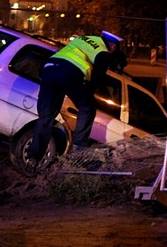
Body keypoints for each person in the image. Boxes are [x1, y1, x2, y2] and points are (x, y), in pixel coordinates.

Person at [26, 30, 123, 173]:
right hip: (69, 74)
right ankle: (79, 150)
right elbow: (97, 79)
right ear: (113, 46)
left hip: (48, 70)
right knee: (88, 107)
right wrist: (87, 94)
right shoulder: (103, 52)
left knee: (45, 118)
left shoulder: (84, 39)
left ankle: (33, 158)